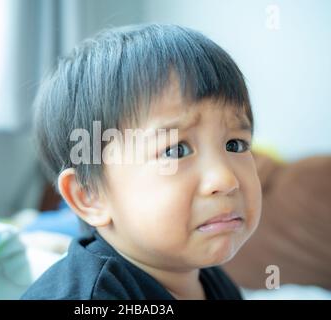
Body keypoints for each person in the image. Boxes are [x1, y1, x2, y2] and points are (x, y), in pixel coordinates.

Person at [22, 24, 262, 300]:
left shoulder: (212, 281)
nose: (225, 179)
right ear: (90, 195)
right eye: (176, 151)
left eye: (235, 144)